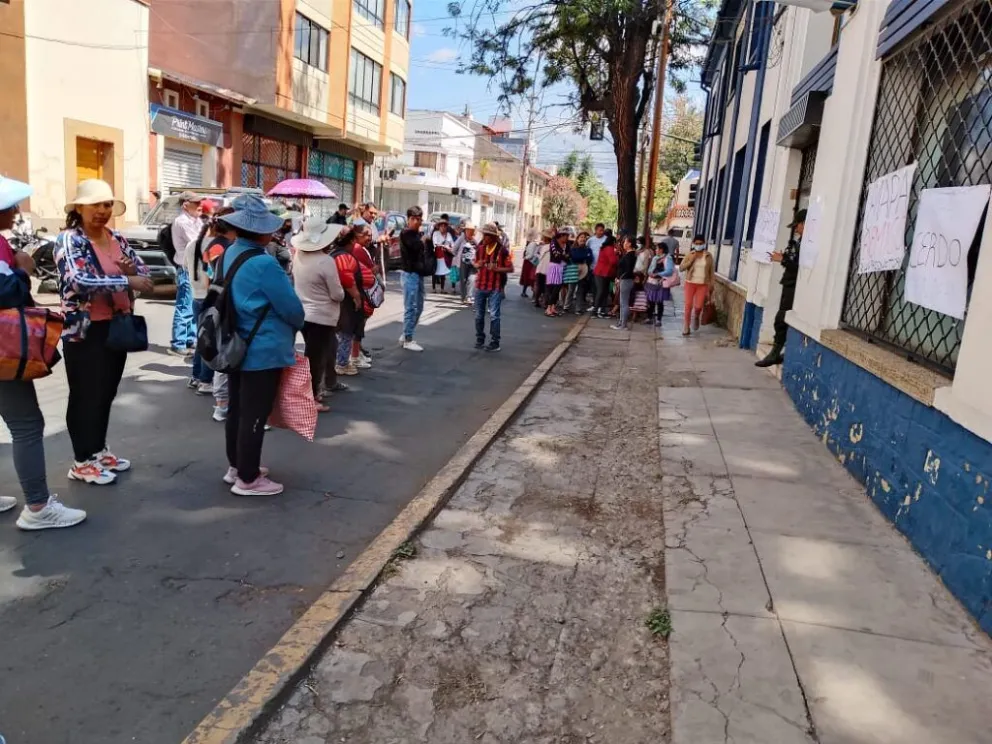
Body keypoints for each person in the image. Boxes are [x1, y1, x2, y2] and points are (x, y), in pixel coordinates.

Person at [0, 177, 87, 529]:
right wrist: (23, 270)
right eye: (11, 205)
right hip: (3, 351)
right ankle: (38, 508)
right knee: (26, 424)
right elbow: (6, 293)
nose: (17, 211)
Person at [56, 179, 154, 485]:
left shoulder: (117, 238)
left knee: (106, 392)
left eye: (107, 204)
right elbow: (77, 281)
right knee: (86, 395)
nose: (102, 211)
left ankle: (97, 450)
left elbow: (144, 274)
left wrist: (131, 273)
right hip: (85, 329)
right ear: (79, 208)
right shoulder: (69, 240)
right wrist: (127, 282)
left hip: (116, 324)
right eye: (95, 204)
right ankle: (81, 460)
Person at [217, 195, 305, 496]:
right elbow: (292, 308)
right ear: (261, 231)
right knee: (255, 413)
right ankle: (249, 478)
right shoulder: (264, 263)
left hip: (235, 343)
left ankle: (237, 466)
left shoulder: (230, 253)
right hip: (262, 348)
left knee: (237, 409)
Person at [293, 218, 346, 412]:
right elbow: (337, 293)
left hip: (303, 314)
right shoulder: (325, 261)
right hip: (322, 317)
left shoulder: (298, 256)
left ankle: (314, 391)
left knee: (313, 354)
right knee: (317, 358)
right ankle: (312, 396)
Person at [184, 204, 233, 395]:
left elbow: (188, 268)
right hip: (211, 297)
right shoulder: (220, 247)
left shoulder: (193, 245)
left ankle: (197, 376)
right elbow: (214, 275)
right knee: (211, 338)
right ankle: (205, 379)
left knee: (202, 336)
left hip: (197, 295)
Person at [756, 209, 804, 367]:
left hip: (794, 286)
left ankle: (775, 354)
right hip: (789, 284)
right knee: (781, 319)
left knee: (781, 320)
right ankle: (777, 352)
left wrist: (782, 259)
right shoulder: (799, 242)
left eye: (797, 225)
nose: (796, 229)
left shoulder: (807, 245)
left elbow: (799, 266)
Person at [328, 227, 371, 376]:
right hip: (345, 302)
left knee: (340, 333)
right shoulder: (344, 257)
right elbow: (347, 279)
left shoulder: (333, 254)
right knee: (345, 332)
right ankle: (342, 364)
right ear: (352, 240)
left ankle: (339, 362)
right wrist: (357, 296)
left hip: (337, 300)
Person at [170, 191, 203, 357]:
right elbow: (198, 243)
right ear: (185, 205)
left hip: (195, 267)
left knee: (193, 304)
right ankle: (178, 342)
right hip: (186, 267)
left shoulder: (196, 220)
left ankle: (190, 339)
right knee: (184, 305)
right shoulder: (182, 222)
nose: (200, 206)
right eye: (196, 203)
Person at [473, 223, 513, 352]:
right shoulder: (480, 248)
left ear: (493, 237)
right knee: (479, 315)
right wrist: (477, 265)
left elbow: (510, 268)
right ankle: (480, 338)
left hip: (495, 287)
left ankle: (495, 341)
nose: (484, 238)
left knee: (494, 315)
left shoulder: (502, 251)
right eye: (483, 235)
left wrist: (497, 269)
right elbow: (475, 263)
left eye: (487, 235)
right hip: (480, 286)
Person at [399, 206, 427, 352]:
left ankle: (406, 334)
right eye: (413, 219)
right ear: (408, 219)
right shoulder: (406, 233)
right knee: (411, 307)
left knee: (419, 307)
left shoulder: (417, 234)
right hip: (409, 274)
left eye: (418, 219)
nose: (416, 222)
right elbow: (415, 246)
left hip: (418, 274)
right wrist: (423, 240)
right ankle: (408, 338)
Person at [679, 234, 715, 336]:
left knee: (698, 306)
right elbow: (681, 268)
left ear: (704, 244)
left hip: (702, 284)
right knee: (688, 305)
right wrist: (691, 260)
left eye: (701, 243)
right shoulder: (690, 254)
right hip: (690, 283)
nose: (698, 245)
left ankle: (696, 316)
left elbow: (711, 272)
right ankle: (686, 326)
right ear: (694, 244)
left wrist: (712, 285)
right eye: (696, 243)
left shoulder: (708, 256)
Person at [646, 242, 675, 325]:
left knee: (659, 301)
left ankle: (659, 319)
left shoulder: (667, 258)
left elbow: (669, 271)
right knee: (651, 300)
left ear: (662, 249)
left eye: (657, 248)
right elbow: (650, 268)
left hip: (661, 282)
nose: (656, 250)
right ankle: (649, 317)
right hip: (652, 281)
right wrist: (650, 273)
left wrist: (658, 274)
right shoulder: (655, 258)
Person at [612, 235, 638, 330]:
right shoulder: (630, 254)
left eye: (625, 242)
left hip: (626, 280)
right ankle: (621, 322)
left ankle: (623, 324)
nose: (623, 243)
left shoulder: (630, 255)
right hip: (626, 280)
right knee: (623, 302)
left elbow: (627, 270)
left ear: (630, 243)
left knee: (624, 302)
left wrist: (619, 278)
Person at [564, 230, 592, 314]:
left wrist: (583, 257)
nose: (583, 239)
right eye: (581, 237)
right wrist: (584, 256)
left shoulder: (587, 249)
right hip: (573, 269)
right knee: (571, 289)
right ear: (577, 238)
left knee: (580, 290)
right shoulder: (573, 248)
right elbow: (575, 257)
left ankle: (578, 308)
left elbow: (590, 258)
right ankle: (566, 306)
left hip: (583, 270)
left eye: (584, 238)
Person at [592, 234, 618, 318]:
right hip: (603, 273)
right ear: (613, 242)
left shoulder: (604, 248)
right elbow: (613, 261)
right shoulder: (609, 249)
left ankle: (601, 311)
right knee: (602, 291)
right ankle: (596, 311)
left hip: (602, 272)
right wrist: (617, 256)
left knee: (604, 292)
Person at [544, 229, 568, 317]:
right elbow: (556, 254)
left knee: (557, 289)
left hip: (562, 267)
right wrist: (564, 256)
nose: (567, 238)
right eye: (565, 236)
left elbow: (568, 255)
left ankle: (553, 307)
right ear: (561, 236)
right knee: (552, 288)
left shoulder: (566, 245)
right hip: (554, 266)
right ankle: (548, 308)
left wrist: (564, 256)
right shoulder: (553, 243)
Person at [453, 221, 478, 305]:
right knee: (463, 280)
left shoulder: (475, 238)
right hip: (462, 262)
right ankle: (464, 297)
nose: (470, 232)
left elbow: (479, 248)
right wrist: (458, 257)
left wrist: (474, 241)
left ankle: (469, 296)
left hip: (473, 263)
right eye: (468, 230)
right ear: (465, 230)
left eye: (472, 230)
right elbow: (454, 249)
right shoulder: (462, 238)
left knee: (472, 279)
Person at [267, 206, 294, 275]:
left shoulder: (284, 236)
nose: (290, 222)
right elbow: (271, 266)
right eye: (287, 219)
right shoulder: (272, 243)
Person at [534, 227, 554, 308]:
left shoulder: (543, 247)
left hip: (540, 268)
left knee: (539, 285)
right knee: (547, 287)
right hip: (548, 268)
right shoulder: (553, 247)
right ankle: (545, 303)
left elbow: (539, 256)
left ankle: (536, 300)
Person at [431, 216, 453, 292]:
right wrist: (444, 245)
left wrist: (449, 248)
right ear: (439, 227)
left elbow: (452, 244)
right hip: (437, 255)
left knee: (443, 272)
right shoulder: (435, 233)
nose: (443, 227)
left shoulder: (449, 235)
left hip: (445, 255)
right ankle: (434, 288)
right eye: (441, 226)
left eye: (444, 226)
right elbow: (435, 243)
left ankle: (442, 289)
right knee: (435, 271)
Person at [519, 228, 540, 298]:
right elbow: (531, 255)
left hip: (527, 262)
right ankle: (534, 293)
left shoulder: (529, 243)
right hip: (530, 262)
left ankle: (524, 292)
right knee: (530, 277)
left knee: (526, 277)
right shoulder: (533, 244)